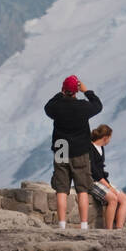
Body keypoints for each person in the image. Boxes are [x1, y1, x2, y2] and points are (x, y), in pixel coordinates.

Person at [44, 75, 102, 232]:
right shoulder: (83, 106)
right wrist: (86, 91)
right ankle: (83, 224)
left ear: (64, 90)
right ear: (76, 91)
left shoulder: (56, 107)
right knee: (82, 188)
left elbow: (47, 106)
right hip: (79, 150)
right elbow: (98, 106)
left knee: (61, 189)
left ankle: (62, 224)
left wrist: (60, 93)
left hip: (61, 148)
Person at [89, 124, 126, 230]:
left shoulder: (101, 148)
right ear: (105, 137)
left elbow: (101, 170)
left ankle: (119, 229)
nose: (110, 140)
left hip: (103, 180)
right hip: (92, 181)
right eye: (110, 138)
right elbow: (94, 171)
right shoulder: (90, 148)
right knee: (112, 199)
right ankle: (109, 231)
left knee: (125, 200)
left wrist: (108, 185)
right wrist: (108, 186)